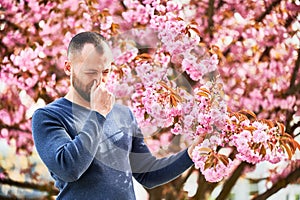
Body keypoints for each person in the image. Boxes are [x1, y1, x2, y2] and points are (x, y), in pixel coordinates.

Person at [32, 32, 199, 200]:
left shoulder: (123, 114)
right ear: (69, 67)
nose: (99, 80)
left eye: (105, 72)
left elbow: (148, 174)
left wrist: (190, 155)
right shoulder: (48, 116)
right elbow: (69, 169)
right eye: (90, 72)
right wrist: (98, 114)